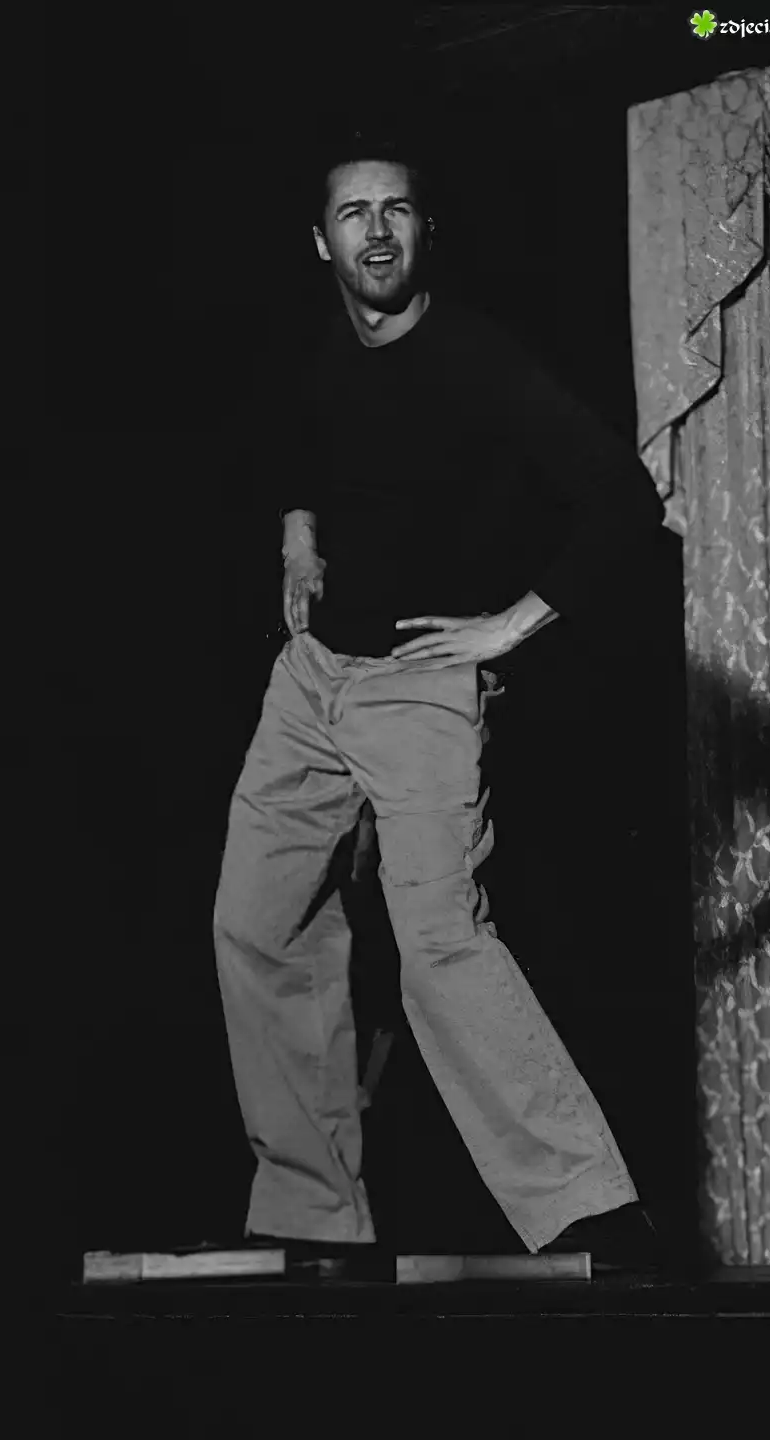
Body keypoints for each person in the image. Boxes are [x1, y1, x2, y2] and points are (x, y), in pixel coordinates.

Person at [211, 130, 665, 1272]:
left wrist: (509, 625)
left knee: (439, 944)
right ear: (322, 244)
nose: (376, 231)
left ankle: (590, 1212)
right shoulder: (324, 342)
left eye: (396, 210)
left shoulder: (477, 360)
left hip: (417, 682)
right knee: (256, 925)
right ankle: (312, 1215)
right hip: (312, 679)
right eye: (354, 213)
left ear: (425, 231)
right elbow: (307, 434)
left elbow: (622, 495)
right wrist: (298, 532)